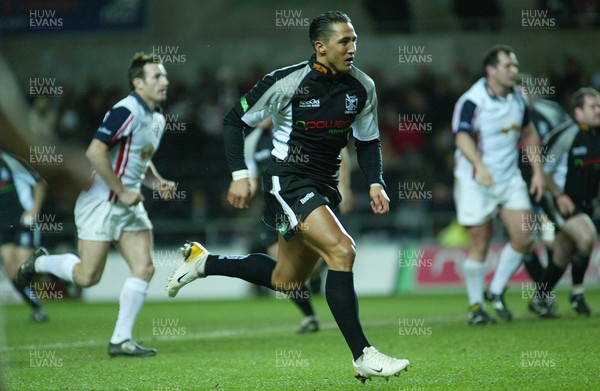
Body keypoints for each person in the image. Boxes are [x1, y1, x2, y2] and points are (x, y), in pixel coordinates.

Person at [167, 11, 409, 382]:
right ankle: (363, 354)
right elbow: (234, 120)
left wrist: (376, 181)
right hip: (288, 181)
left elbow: (368, 139)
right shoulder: (286, 82)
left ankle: (204, 262)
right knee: (343, 251)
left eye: (354, 39)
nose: (352, 48)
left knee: (287, 280)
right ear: (320, 47)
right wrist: (239, 175)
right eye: (344, 41)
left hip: (324, 185)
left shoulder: (362, 86)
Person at [15, 52, 175, 357]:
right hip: (101, 203)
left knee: (144, 268)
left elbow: (140, 160)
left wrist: (156, 182)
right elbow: (94, 152)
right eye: (157, 76)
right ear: (138, 83)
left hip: (129, 206)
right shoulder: (125, 110)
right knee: (88, 277)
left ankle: (120, 340)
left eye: (165, 76)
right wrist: (121, 190)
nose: (164, 81)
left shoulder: (156, 118)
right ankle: (40, 263)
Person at [451, 44, 545, 325]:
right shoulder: (472, 100)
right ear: (491, 70)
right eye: (508, 66)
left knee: (525, 236)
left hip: (509, 178)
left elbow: (529, 134)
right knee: (481, 240)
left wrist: (538, 172)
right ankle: (475, 307)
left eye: (515, 65)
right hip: (475, 180)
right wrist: (479, 165)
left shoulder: (518, 99)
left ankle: (494, 291)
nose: (514, 71)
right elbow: (462, 137)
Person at [529, 87, 600, 317]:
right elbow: (543, 170)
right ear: (578, 112)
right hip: (559, 202)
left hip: (586, 203)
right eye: (593, 106)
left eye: (599, 105)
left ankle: (539, 298)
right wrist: (559, 195)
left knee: (562, 254)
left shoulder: (596, 135)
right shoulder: (567, 135)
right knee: (587, 236)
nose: (598, 110)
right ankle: (577, 292)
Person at [0, 151, 48, 322]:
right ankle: (37, 309)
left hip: (23, 221)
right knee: (12, 270)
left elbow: (40, 183)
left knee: (23, 266)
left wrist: (34, 210)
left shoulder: (12, 162)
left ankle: (55, 268)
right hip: (3, 225)